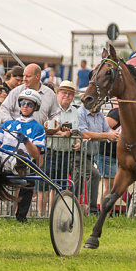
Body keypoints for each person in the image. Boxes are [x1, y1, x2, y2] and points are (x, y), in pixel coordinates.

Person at [0, 88, 47, 223]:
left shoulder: (38, 129)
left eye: (29, 104)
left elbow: (36, 154)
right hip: (3, 160)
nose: (25, 107)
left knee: (29, 180)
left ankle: (21, 217)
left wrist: (27, 142)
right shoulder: (8, 124)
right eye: (23, 103)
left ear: (35, 107)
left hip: (24, 163)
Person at [41, 81, 81, 213]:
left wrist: (77, 142)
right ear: (57, 93)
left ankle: (54, 214)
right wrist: (62, 133)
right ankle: (41, 215)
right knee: (45, 186)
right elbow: (46, 128)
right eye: (64, 92)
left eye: (70, 94)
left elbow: (77, 131)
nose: (67, 96)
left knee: (59, 187)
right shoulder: (51, 108)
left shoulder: (75, 111)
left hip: (66, 154)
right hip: (50, 151)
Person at [77, 98, 120, 215]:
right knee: (94, 175)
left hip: (90, 155)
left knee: (78, 185)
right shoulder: (80, 113)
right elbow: (84, 133)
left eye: (99, 102)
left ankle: (73, 208)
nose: (98, 104)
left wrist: (115, 134)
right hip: (77, 154)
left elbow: (108, 131)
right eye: (96, 101)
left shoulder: (100, 115)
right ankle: (93, 211)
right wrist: (107, 135)